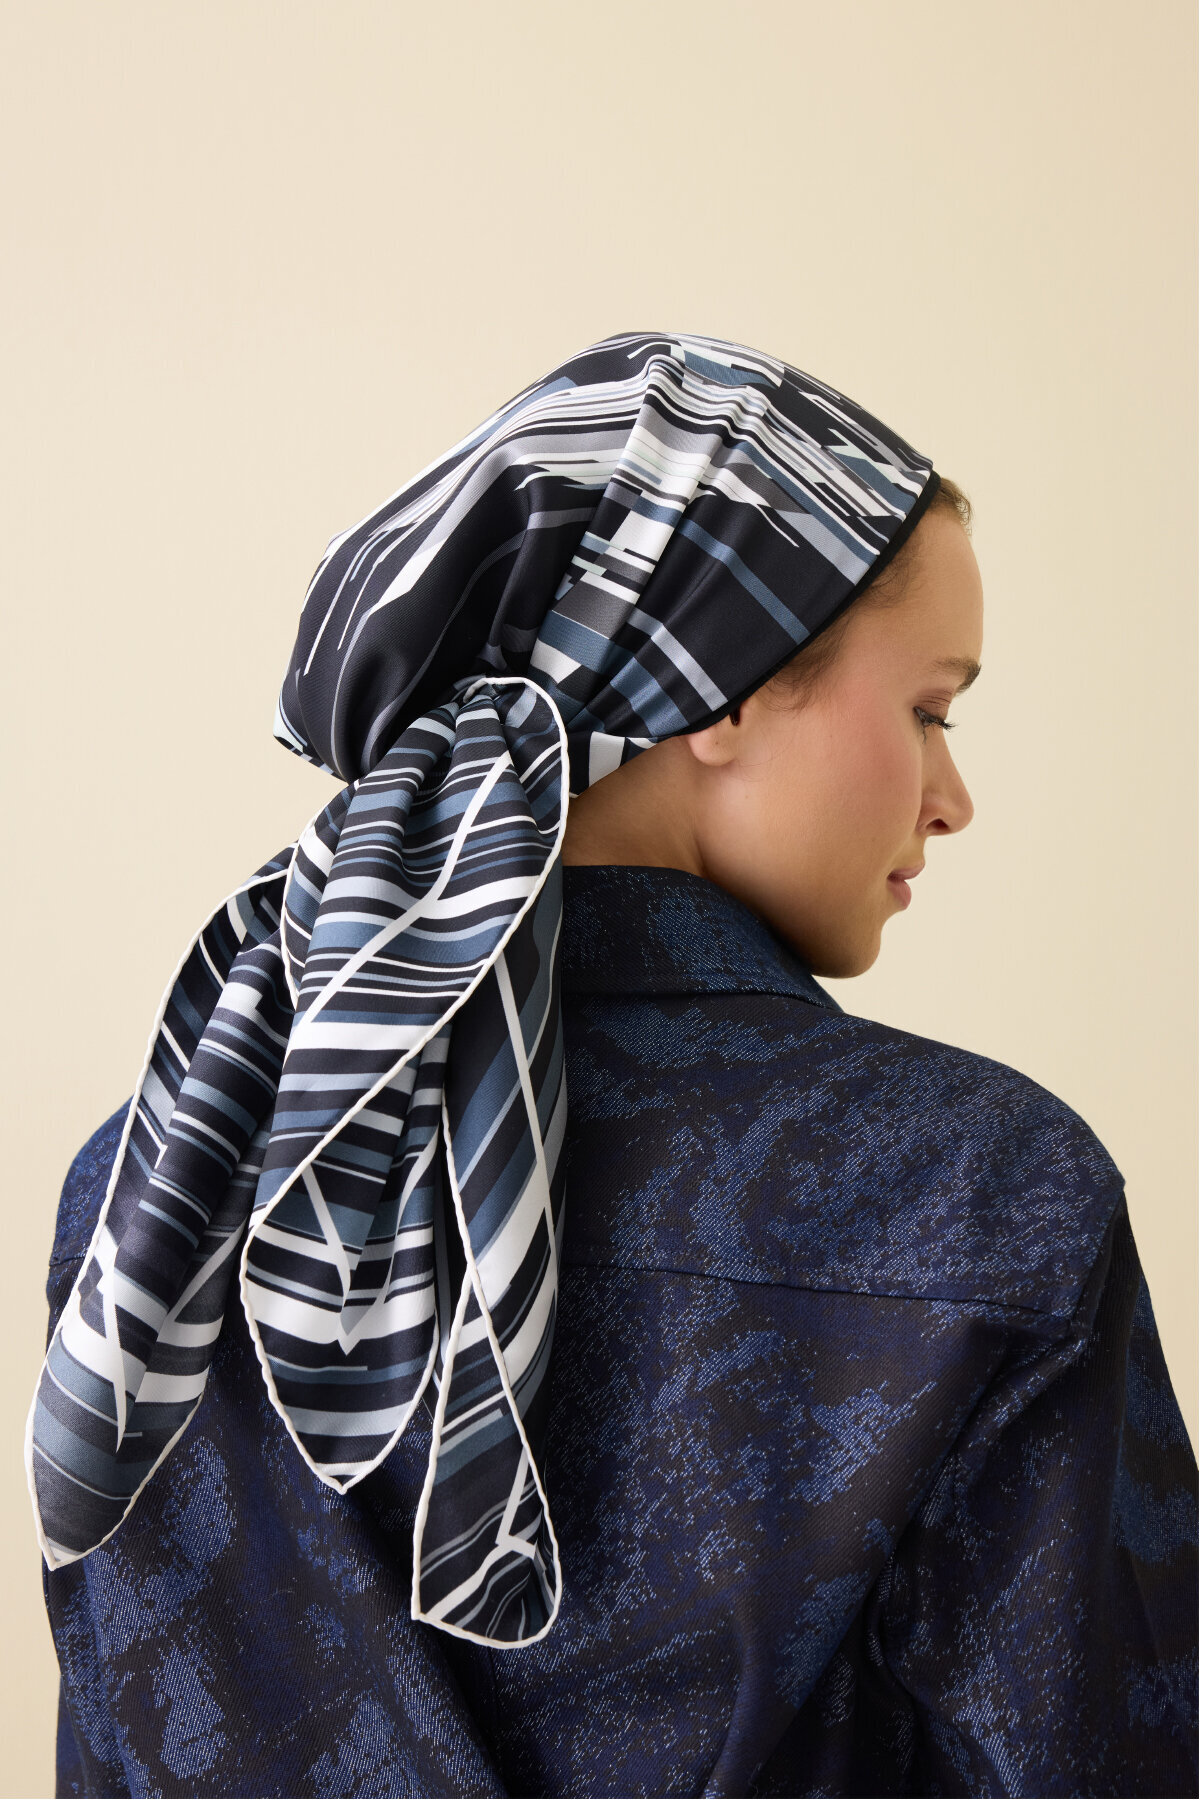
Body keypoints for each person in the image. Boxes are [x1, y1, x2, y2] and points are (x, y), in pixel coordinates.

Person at [32, 331, 1196, 1799]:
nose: (951, 797)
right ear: (726, 686)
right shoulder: (988, 1189)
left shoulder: (159, 1189)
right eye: (930, 709)